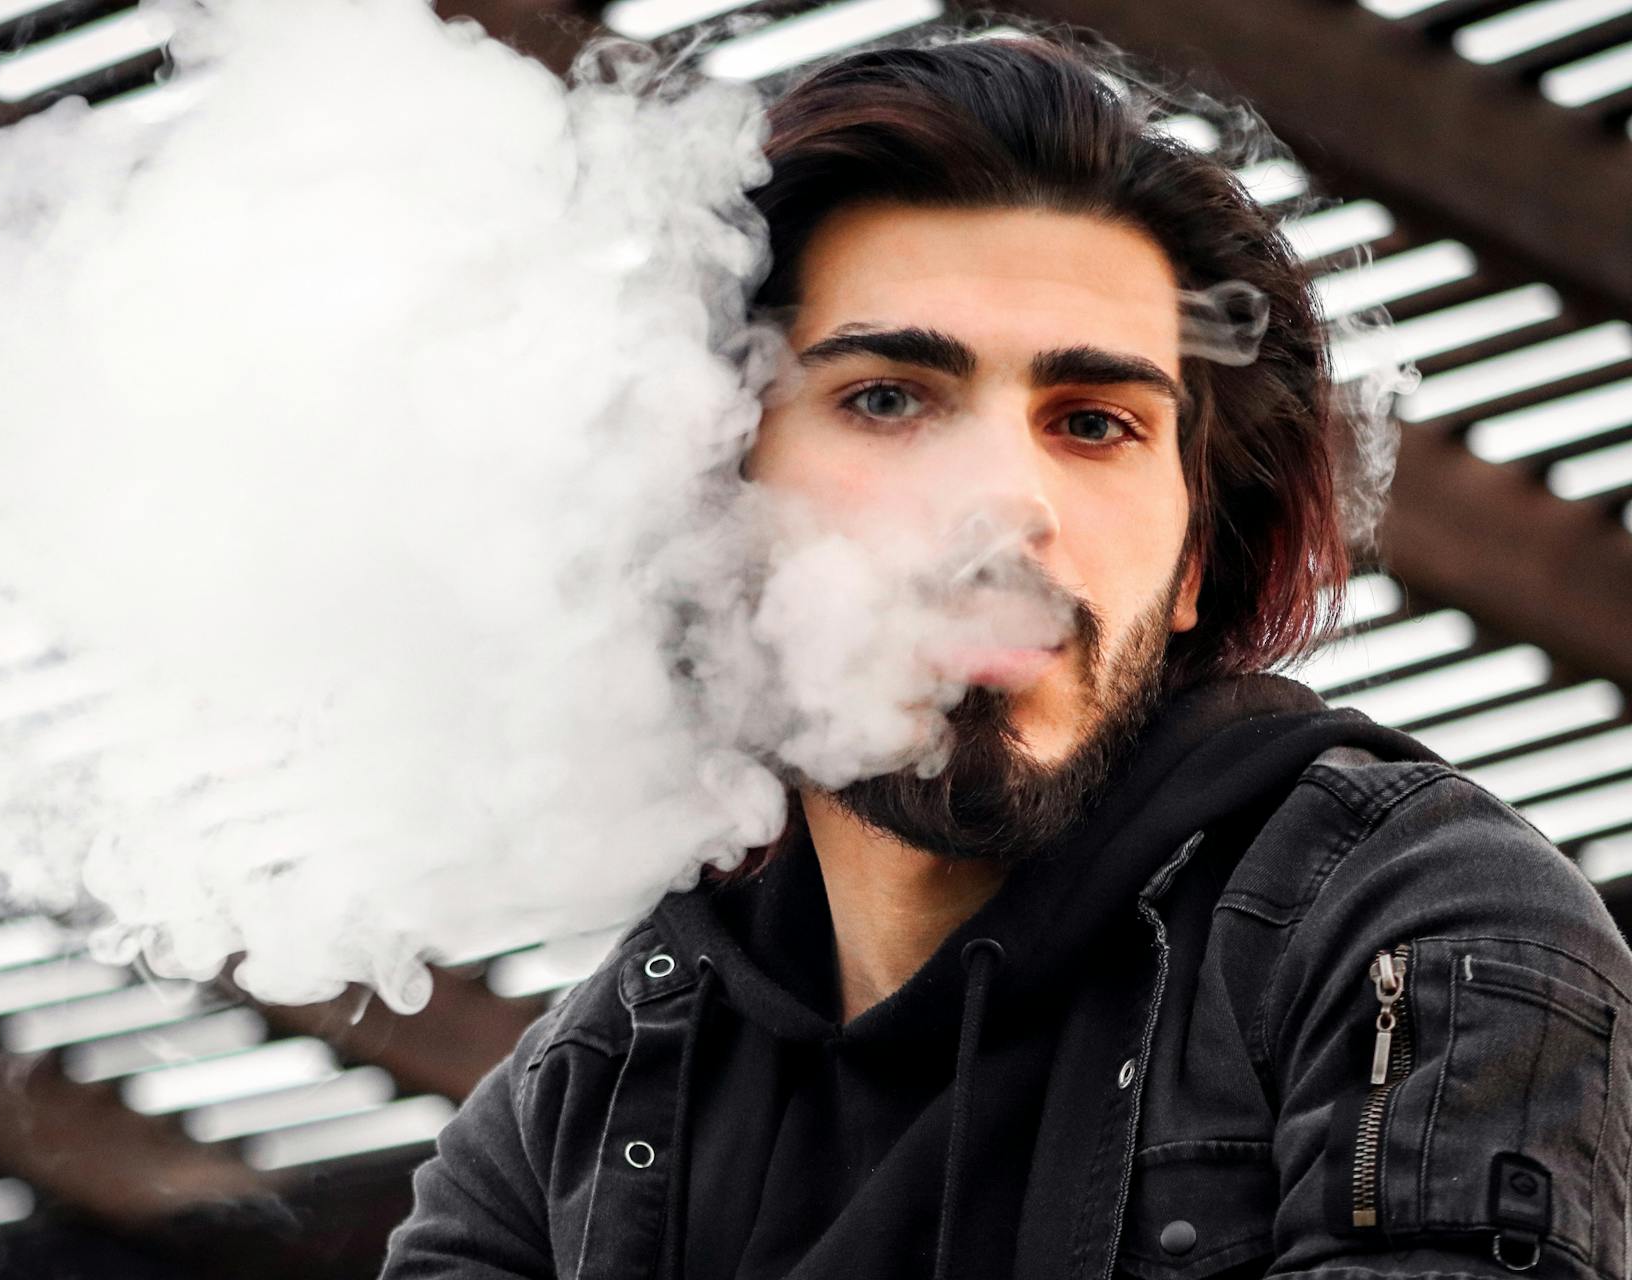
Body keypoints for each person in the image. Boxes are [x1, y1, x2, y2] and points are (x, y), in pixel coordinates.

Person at [381, 33, 1632, 1280]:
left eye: (1094, 424)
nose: (1002, 501)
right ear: (709, 493)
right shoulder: (576, 1110)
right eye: (886, 396)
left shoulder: (1414, 927)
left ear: (1194, 564)